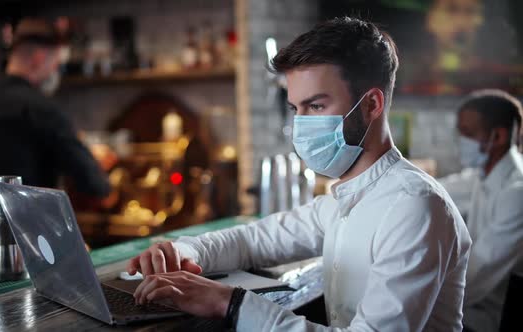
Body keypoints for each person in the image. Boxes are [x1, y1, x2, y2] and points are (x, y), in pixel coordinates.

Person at [126, 17, 471, 331]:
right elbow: (253, 240)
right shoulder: (346, 199)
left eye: (316, 106)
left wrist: (228, 303)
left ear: (371, 105)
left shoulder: (414, 207)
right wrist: (182, 251)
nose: (301, 125)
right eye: (296, 108)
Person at [0, 18, 111, 204]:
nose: (56, 71)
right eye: (56, 63)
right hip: (28, 228)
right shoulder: (43, 109)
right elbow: (94, 184)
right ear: (38, 59)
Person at [439, 89, 523, 332]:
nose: (460, 141)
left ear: (497, 136)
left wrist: (422, 297)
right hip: (470, 305)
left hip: (492, 316)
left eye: (467, 134)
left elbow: (480, 269)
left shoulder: (517, 192)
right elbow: (436, 190)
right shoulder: (481, 175)